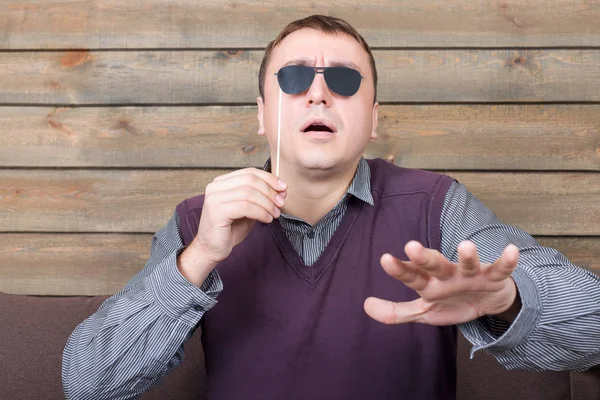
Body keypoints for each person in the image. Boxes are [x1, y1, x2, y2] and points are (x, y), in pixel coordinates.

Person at [62, 14, 600, 400]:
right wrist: (199, 257)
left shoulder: (436, 206)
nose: (318, 95)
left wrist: (507, 297)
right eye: (294, 79)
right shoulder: (198, 222)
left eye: (343, 80)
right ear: (261, 115)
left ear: (372, 118)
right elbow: (87, 385)